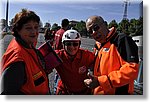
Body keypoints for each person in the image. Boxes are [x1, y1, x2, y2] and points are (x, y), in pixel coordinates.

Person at [84, 15, 139, 95]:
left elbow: (132, 70)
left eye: (96, 28)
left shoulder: (121, 40)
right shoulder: (98, 45)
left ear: (105, 24)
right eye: (90, 31)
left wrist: (101, 81)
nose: (94, 32)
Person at [0, 9, 50, 95]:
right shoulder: (17, 61)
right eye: (28, 28)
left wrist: (43, 71)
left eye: (36, 27)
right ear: (18, 30)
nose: (34, 32)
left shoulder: (27, 44)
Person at [54, 29, 95, 95]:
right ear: (63, 44)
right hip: (65, 91)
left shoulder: (87, 55)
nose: (72, 47)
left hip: (84, 92)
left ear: (79, 44)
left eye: (75, 44)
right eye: (68, 44)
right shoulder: (57, 56)